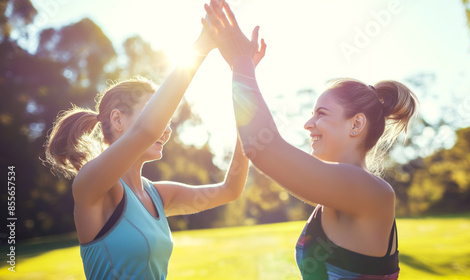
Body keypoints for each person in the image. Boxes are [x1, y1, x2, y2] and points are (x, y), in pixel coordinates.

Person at [202, 1, 419, 279]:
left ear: (356, 124)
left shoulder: (371, 192)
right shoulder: (334, 192)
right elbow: (255, 145)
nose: (308, 124)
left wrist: (241, 63)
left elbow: (262, 148)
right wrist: (242, 70)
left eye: (321, 114)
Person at [43, 19, 266, 279]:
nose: (166, 128)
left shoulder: (158, 195)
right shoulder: (92, 185)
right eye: (158, 116)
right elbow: (147, 130)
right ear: (117, 120)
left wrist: (244, 77)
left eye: (167, 120)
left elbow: (231, 189)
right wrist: (203, 45)